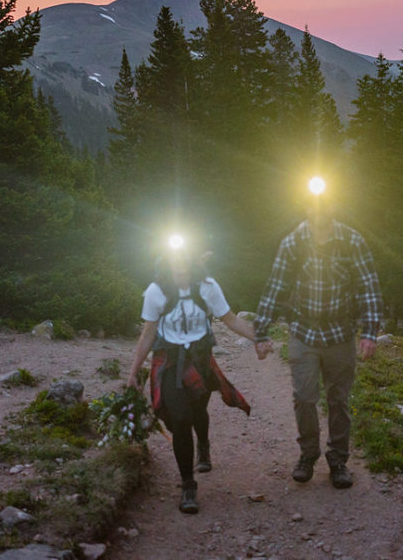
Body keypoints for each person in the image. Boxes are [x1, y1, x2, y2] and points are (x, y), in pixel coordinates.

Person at [252, 177, 384, 489]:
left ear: (334, 207)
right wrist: (261, 332)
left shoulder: (352, 241)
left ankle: (337, 460)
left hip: (340, 333)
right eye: (314, 205)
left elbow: (368, 287)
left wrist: (369, 333)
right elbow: (276, 287)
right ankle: (308, 454)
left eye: (326, 204)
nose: (320, 210)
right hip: (303, 332)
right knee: (304, 397)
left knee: (338, 399)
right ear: (307, 207)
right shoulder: (293, 243)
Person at [127, 240, 270, 514]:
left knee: (197, 412)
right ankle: (188, 484)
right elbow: (147, 334)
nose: (180, 260)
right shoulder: (156, 292)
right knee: (179, 419)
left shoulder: (207, 287)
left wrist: (259, 338)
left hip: (200, 361)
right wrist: (133, 371)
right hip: (169, 362)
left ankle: (203, 445)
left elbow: (231, 320)